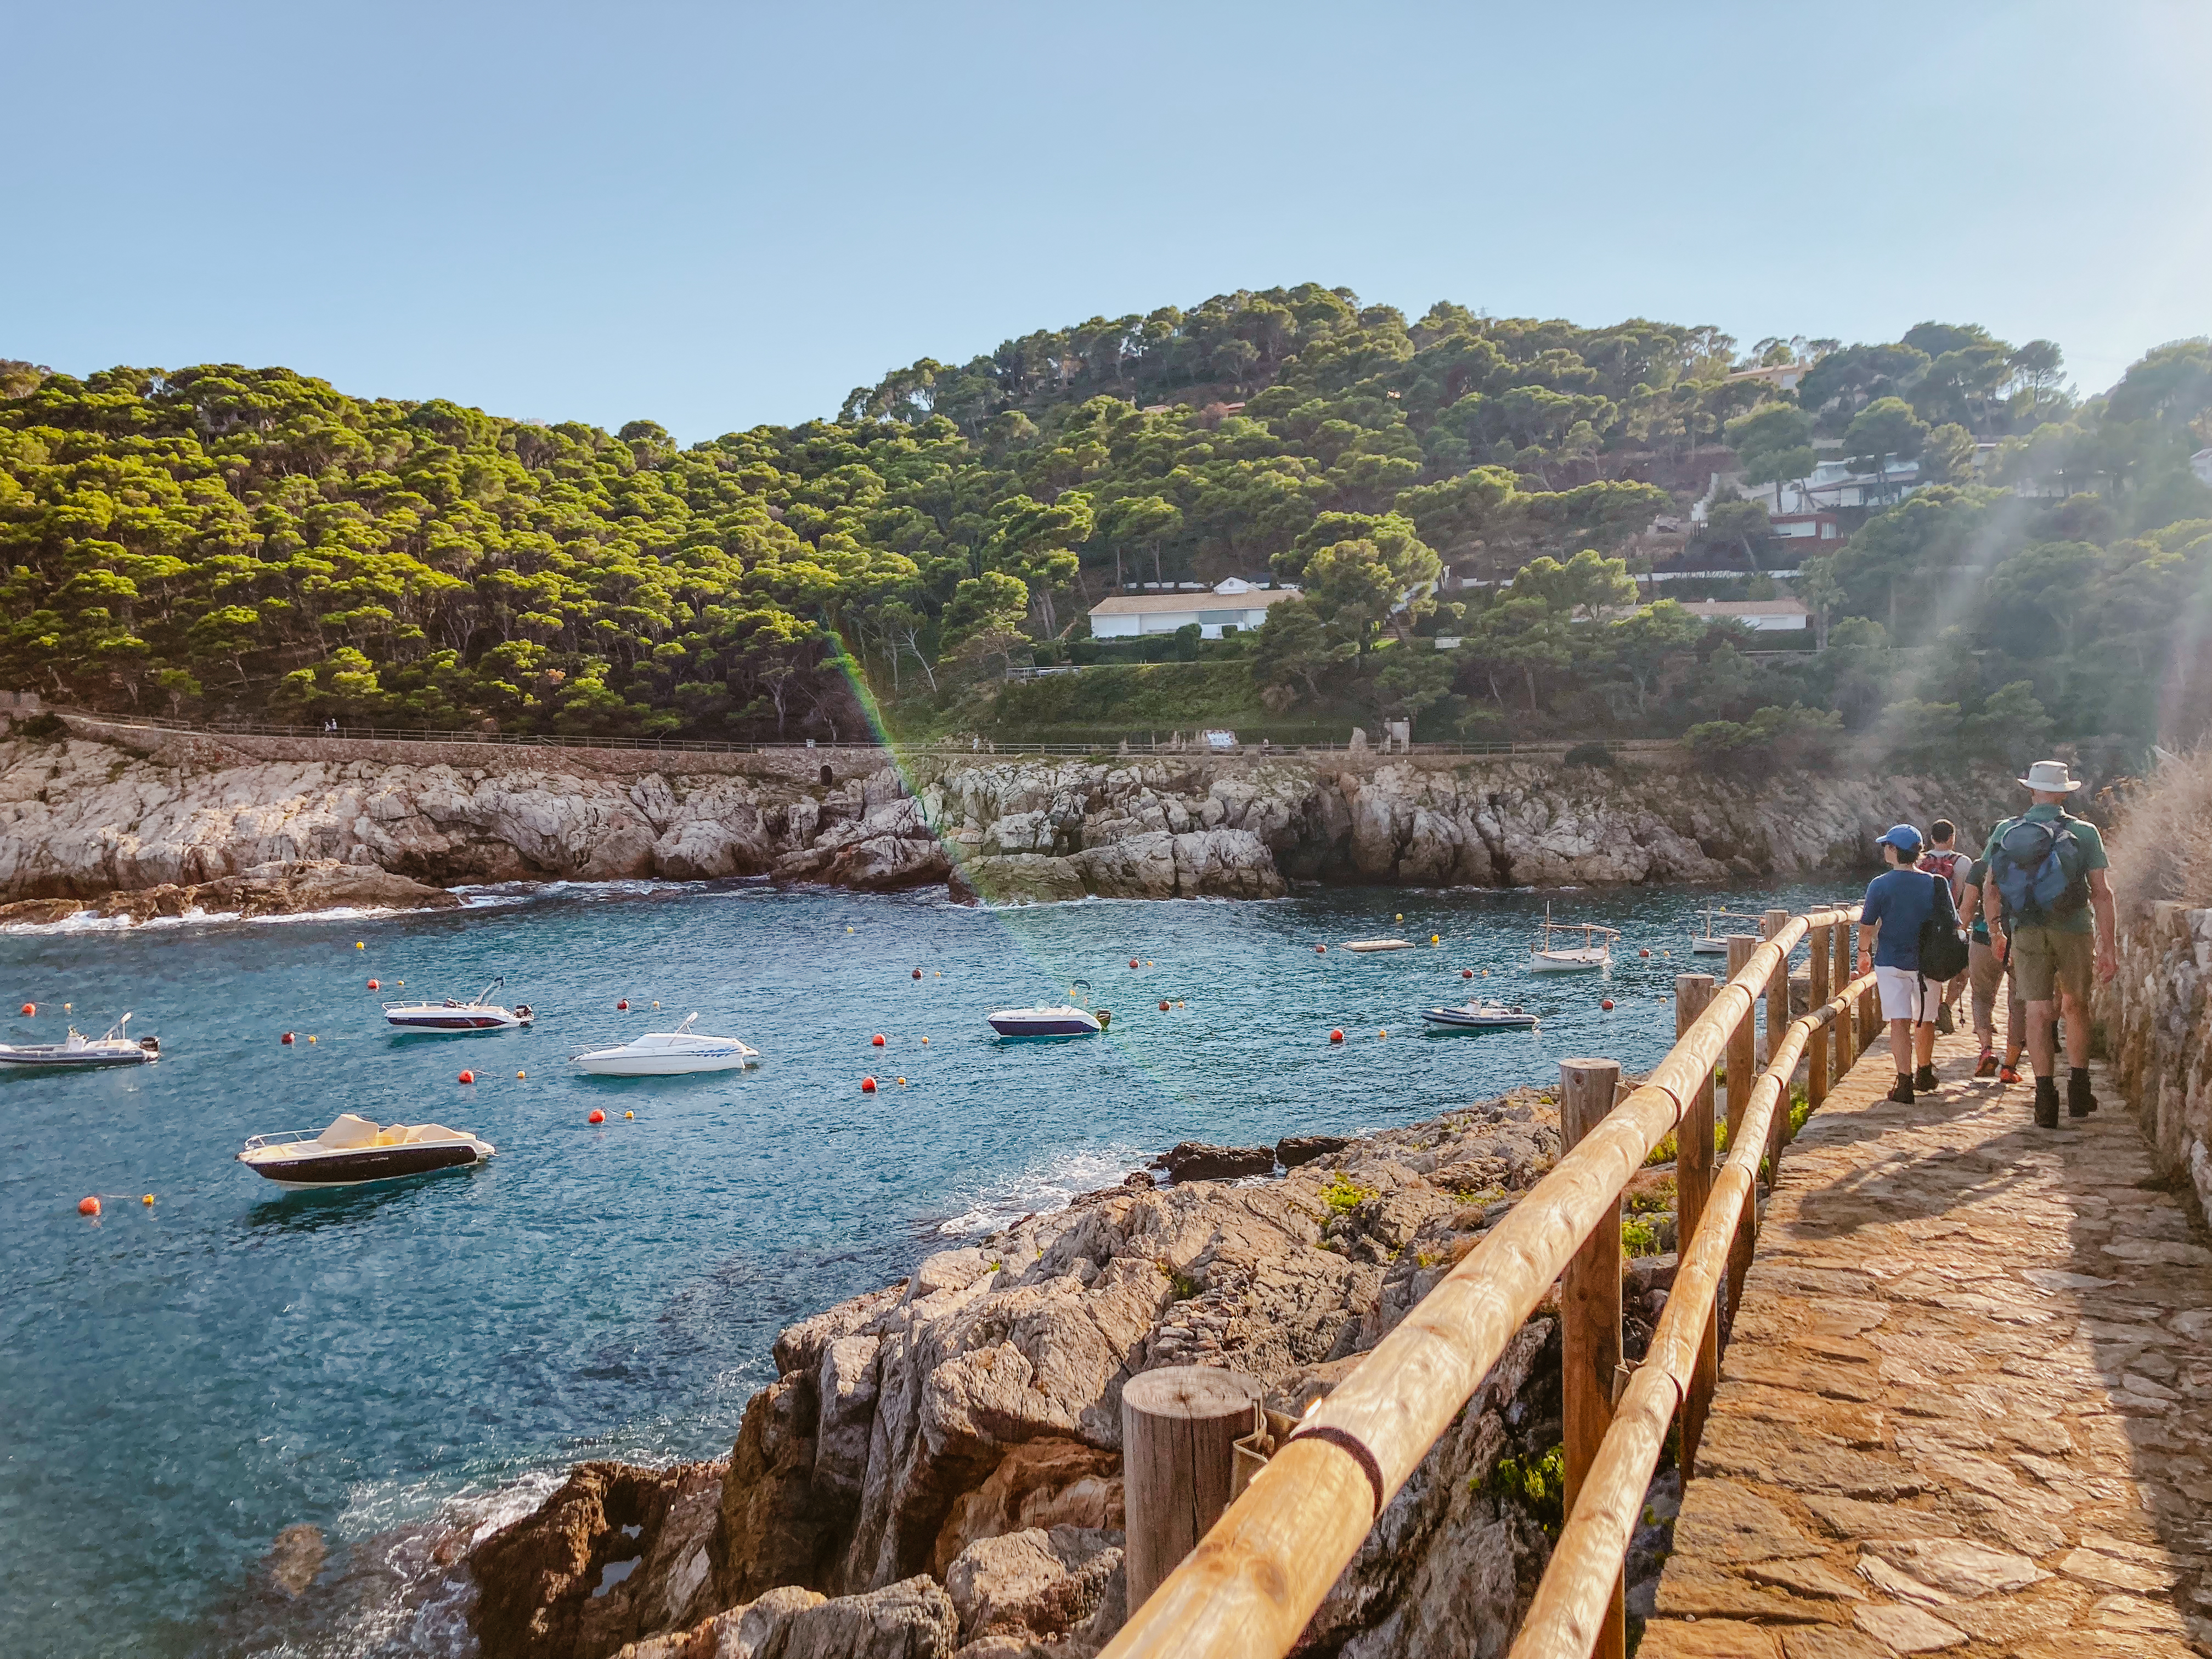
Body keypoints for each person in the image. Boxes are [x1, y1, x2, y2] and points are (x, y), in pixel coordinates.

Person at [1981, 760, 2116, 1129]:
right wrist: (2109, 948)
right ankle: (2079, 1089)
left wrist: (1996, 933)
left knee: (2037, 1013)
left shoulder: (2006, 831)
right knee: (2075, 1005)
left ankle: (2044, 1099)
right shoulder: (2085, 833)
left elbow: (1990, 888)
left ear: (2031, 790)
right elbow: (2101, 894)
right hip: (2073, 929)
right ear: (2064, 793)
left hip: (2026, 930)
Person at [1857, 823, 1962, 1104]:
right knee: (1925, 1020)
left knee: (1899, 1022)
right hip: (1928, 962)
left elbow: (1867, 924)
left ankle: (1904, 1084)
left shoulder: (1879, 884)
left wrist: (1863, 952)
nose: (1884, 851)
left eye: (1886, 846)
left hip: (1891, 960)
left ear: (1894, 850)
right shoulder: (1935, 883)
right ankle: (1924, 1072)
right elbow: (1953, 922)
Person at [1959, 853, 2027, 1082]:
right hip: (2021, 940)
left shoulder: (1980, 867)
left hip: (1983, 938)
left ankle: (1987, 1050)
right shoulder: (2028, 862)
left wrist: (1959, 935)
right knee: (2019, 1002)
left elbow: (1967, 907)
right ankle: (2010, 1066)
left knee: (1981, 997)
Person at [1916, 820, 1971, 1034]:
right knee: (1962, 970)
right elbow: (1969, 897)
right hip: (1953, 924)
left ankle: (1935, 1010)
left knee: (1930, 969)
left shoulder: (1920, 862)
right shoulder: (1964, 863)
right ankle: (1947, 1005)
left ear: (1931, 838)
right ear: (1952, 838)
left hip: (1925, 926)